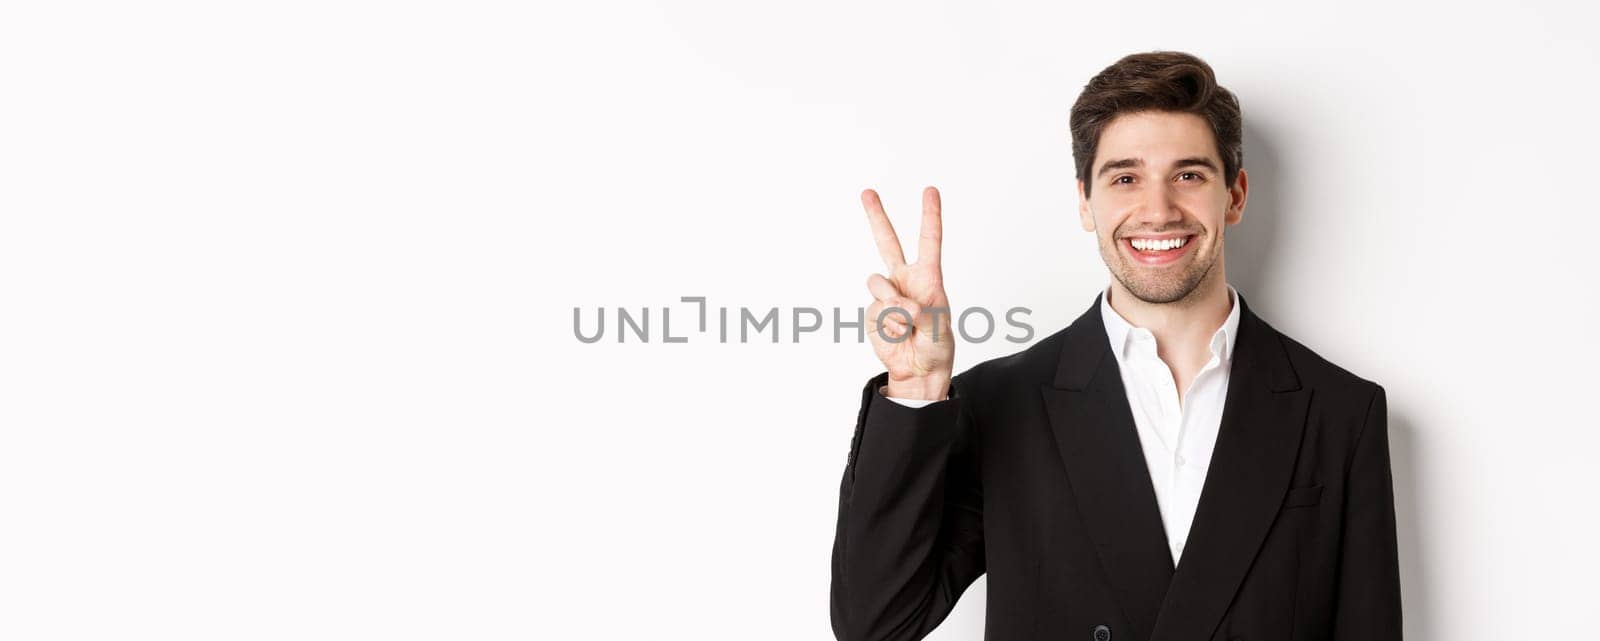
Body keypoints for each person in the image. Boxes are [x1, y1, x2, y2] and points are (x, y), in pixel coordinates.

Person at [829, 51, 1401, 641]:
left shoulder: (1340, 412)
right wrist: (916, 390)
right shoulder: (1002, 403)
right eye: (1125, 178)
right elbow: (876, 621)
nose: (1157, 211)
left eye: (1189, 175)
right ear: (1085, 201)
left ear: (1234, 195)